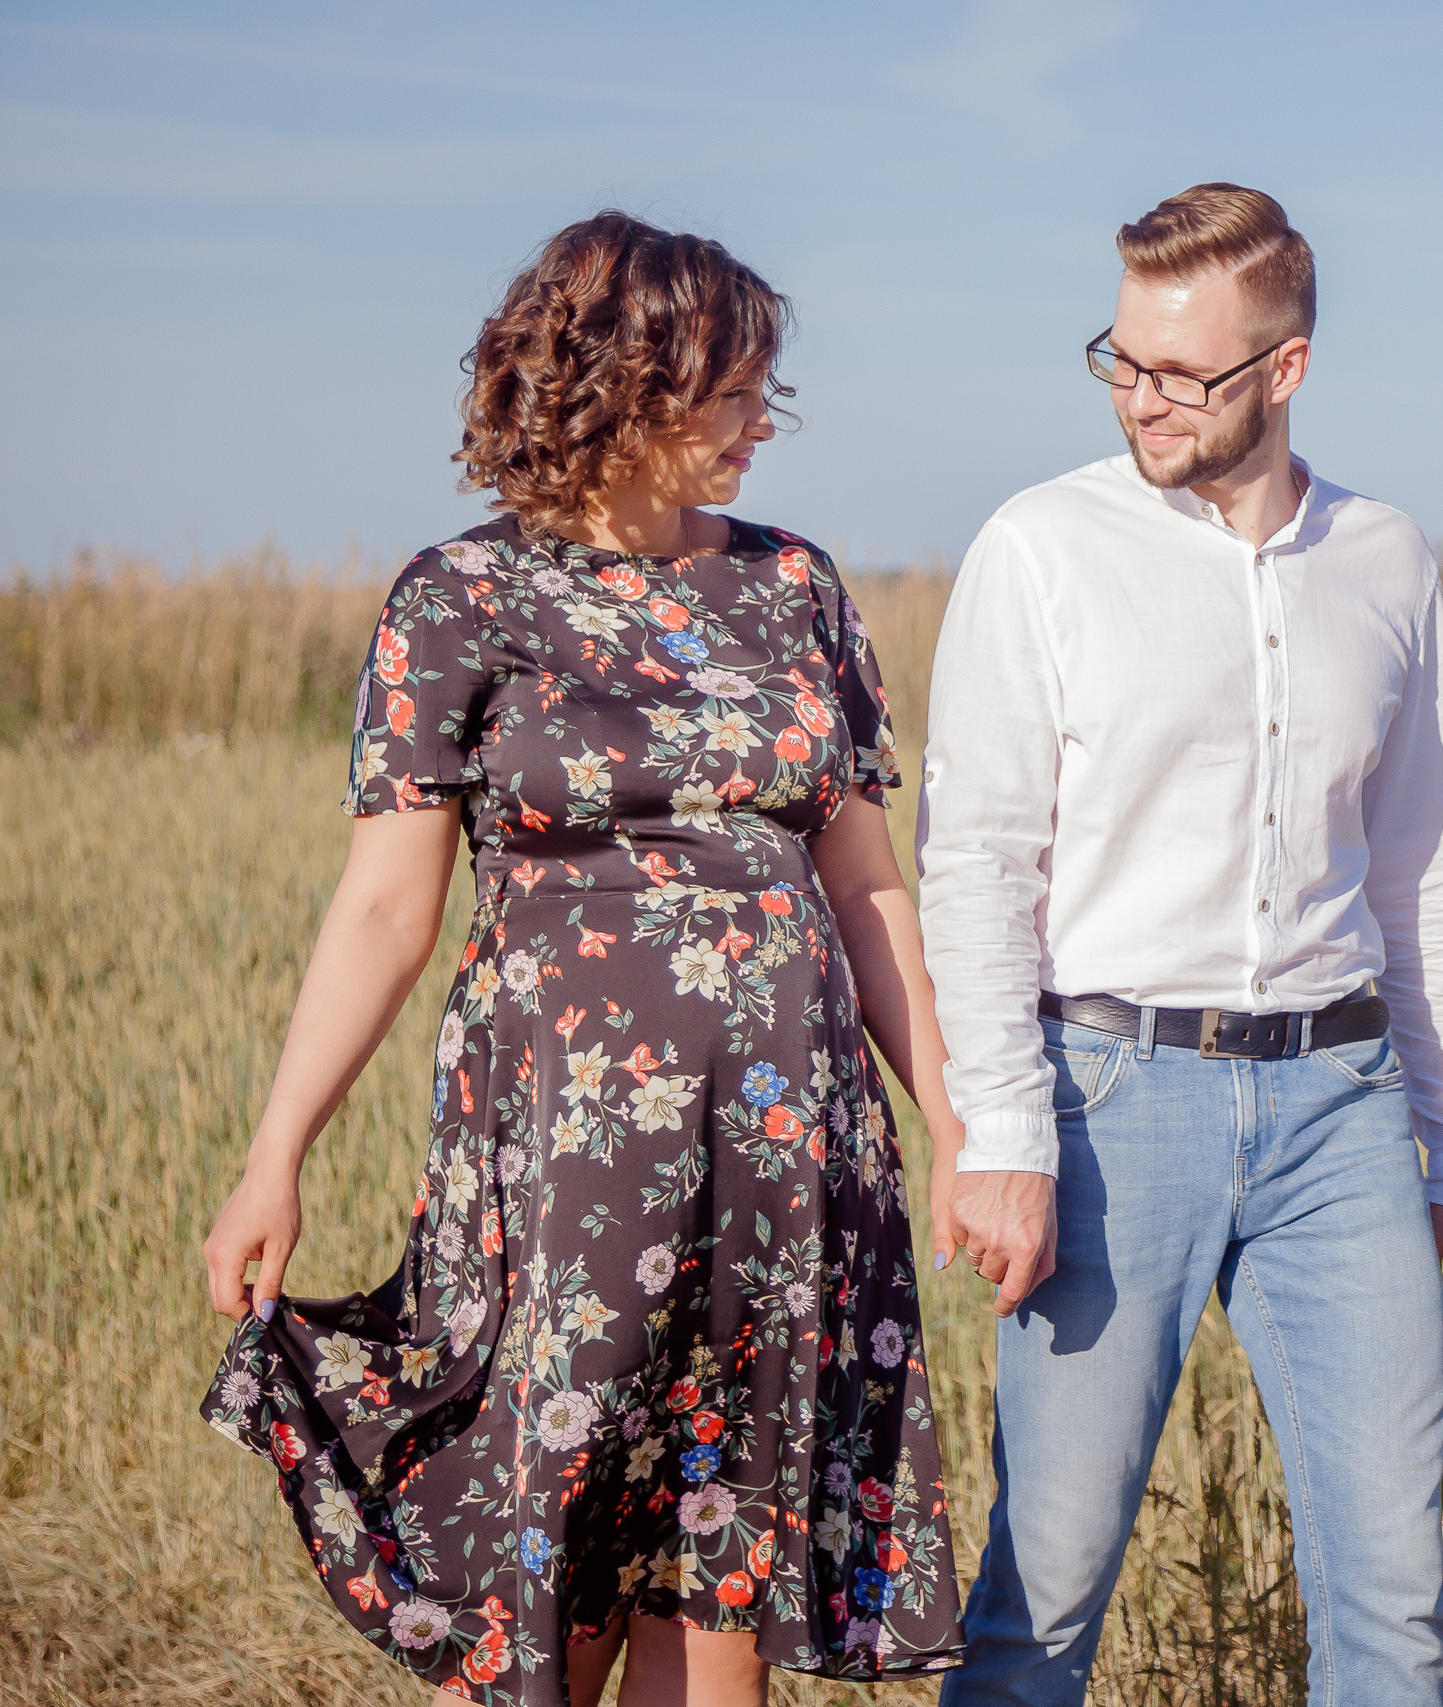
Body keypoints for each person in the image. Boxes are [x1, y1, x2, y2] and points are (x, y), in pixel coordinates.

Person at [199, 211, 965, 1706]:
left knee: (717, 1554)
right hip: (569, 1168)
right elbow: (384, 908)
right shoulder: (461, 599)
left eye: (766, 392)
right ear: (615, 387)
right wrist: (274, 1152)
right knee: (554, 1561)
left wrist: (954, 1126)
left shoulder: (795, 589)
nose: (761, 425)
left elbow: (870, 894)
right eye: (727, 392)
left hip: (788, 1168)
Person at [919, 183, 1443, 1707]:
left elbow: (1419, 875)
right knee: (1039, 1606)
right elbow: (977, 860)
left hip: (1343, 1111)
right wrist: (1004, 1134)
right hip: (1111, 1104)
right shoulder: (1040, 546)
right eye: (1120, 360)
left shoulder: (1385, 560)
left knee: (1395, 1613)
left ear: (1286, 369)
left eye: (1183, 372)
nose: (1143, 398)